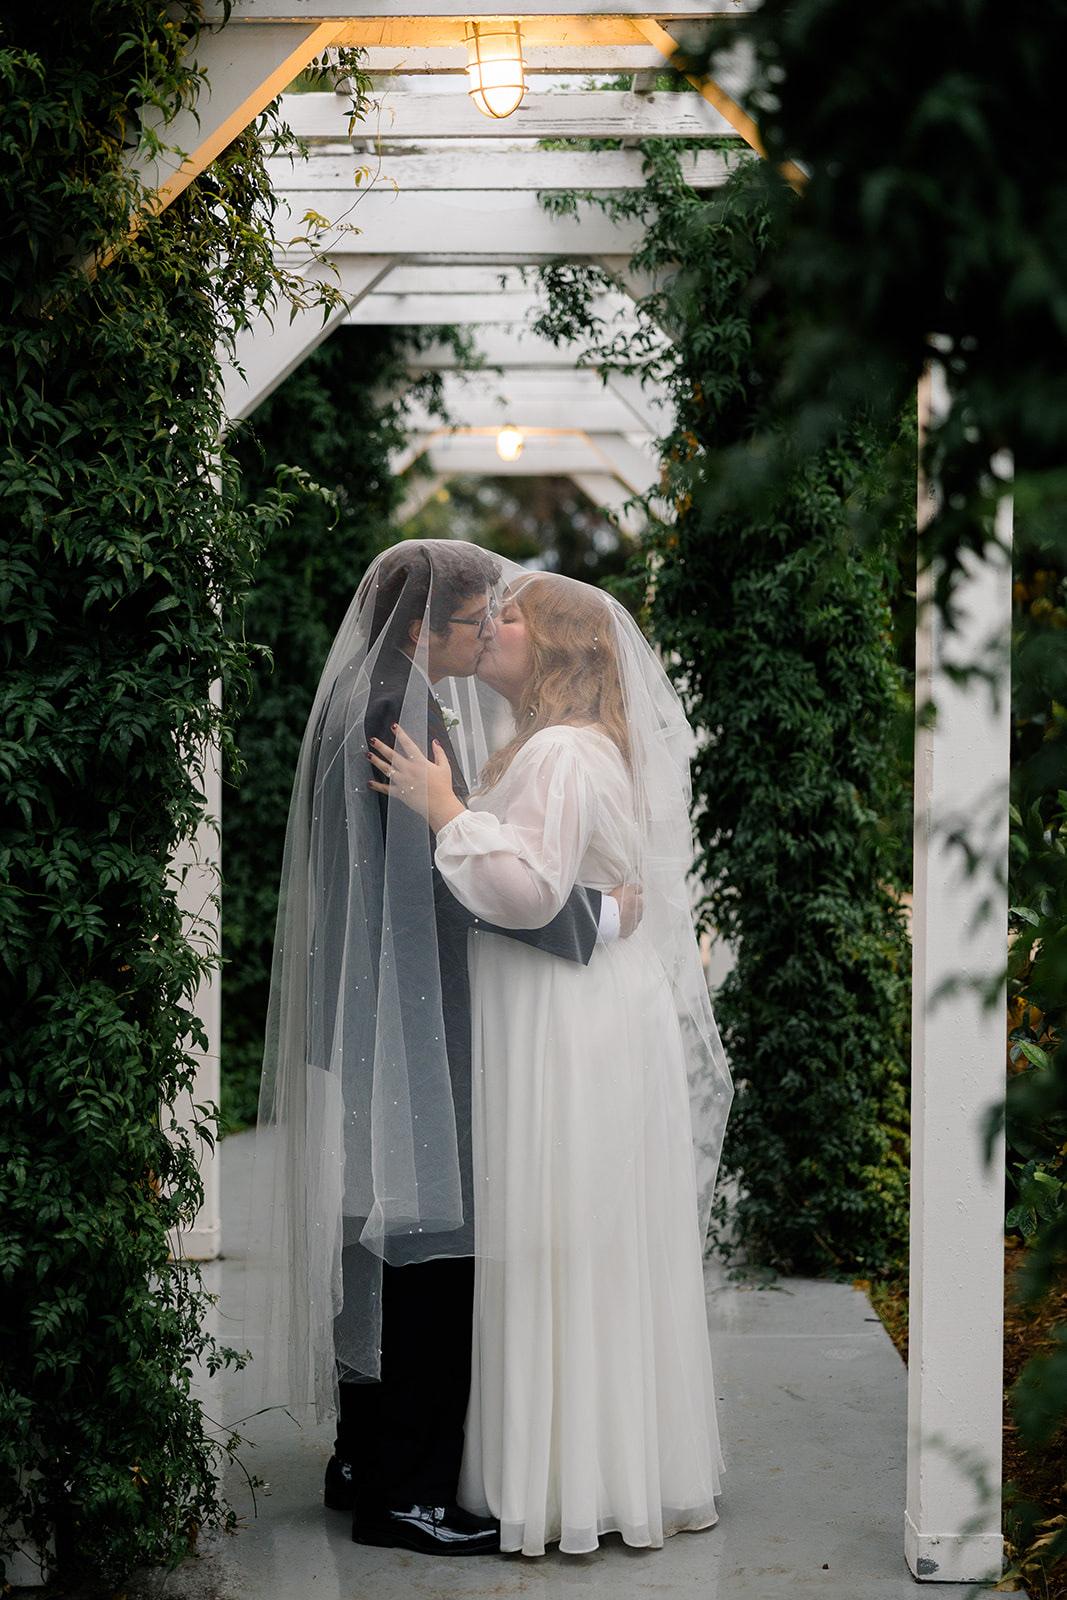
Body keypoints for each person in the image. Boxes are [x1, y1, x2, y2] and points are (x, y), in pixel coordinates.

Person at [242, 541, 640, 1558]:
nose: (485, 635)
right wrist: (591, 915)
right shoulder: (404, 714)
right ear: (425, 628)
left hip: (366, 1009)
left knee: (373, 1233)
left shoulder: (363, 694)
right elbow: (448, 889)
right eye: (474, 622)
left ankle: (359, 1457)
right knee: (432, 1251)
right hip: (415, 1016)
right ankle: (408, 1492)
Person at [368, 569, 733, 1556]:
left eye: (514, 616)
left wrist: (445, 810)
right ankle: (602, 1465)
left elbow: (526, 892)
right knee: (583, 1240)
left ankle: (564, 1480)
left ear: (561, 648)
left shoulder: (563, 750)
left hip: (566, 1023)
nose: (492, 624)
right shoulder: (560, 744)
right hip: (580, 1007)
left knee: (560, 1237)